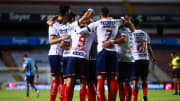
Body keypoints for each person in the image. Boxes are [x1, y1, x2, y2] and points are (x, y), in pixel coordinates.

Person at [77, 7, 126, 101]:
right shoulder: (115, 22)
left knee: (98, 79)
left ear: (100, 15)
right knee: (111, 79)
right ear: (109, 14)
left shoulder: (96, 24)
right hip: (111, 52)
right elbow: (125, 19)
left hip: (96, 54)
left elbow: (79, 31)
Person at [58, 11, 96, 101]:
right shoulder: (92, 33)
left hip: (72, 57)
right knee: (83, 83)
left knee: (69, 82)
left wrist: (62, 39)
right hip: (84, 58)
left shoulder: (73, 29)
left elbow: (62, 44)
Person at [48, 5, 71, 101]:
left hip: (61, 54)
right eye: (69, 12)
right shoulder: (55, 25)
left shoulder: (58, 24)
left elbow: (49, 21)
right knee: (56, 79)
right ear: (66, 13)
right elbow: (51, 41)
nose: (69, 14)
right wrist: (62, 38)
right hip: (55, 54)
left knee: (62, 79)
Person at [131, 19, 156, 101]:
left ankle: (135, 99)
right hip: (145, 59)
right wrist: (152, 57)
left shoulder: (132, 34)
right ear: (139, 25)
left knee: (135, 81)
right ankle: (145, 95)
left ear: (133, 25)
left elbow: (130, 47)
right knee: (144, 79)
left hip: (136, 59)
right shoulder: (145, 34)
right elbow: (149, 48)